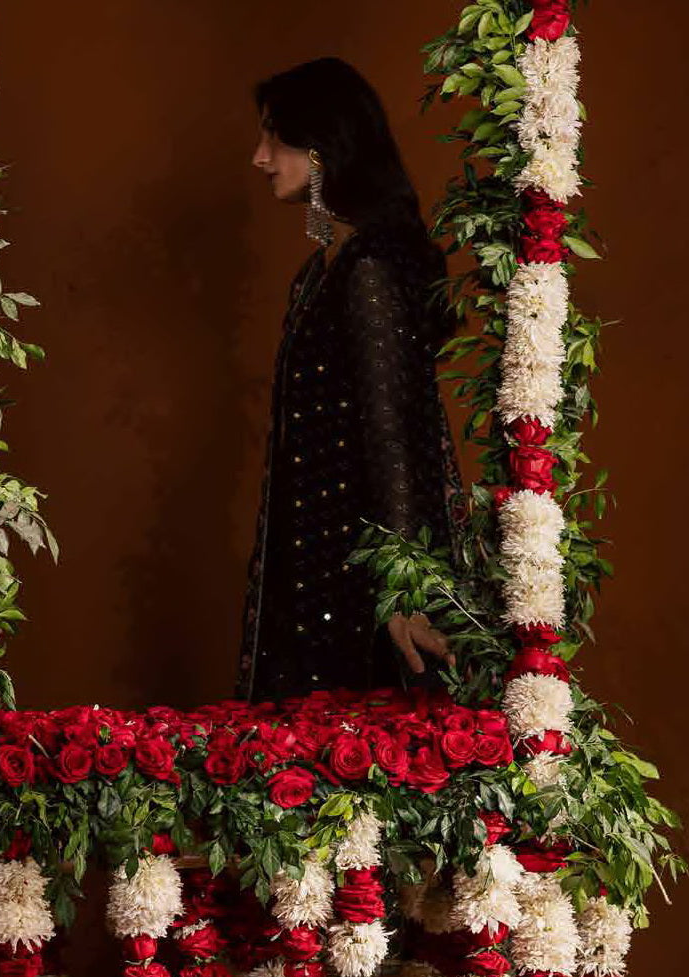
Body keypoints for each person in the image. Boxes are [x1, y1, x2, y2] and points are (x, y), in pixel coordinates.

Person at [235, 57, 465, 704]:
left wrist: (407, 591)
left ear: (321, 148)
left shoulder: (368, 269)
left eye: (273, 135)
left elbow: (394, 431)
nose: (258, 157)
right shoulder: (325, 270)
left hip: (359, 583)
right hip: (317, 559)